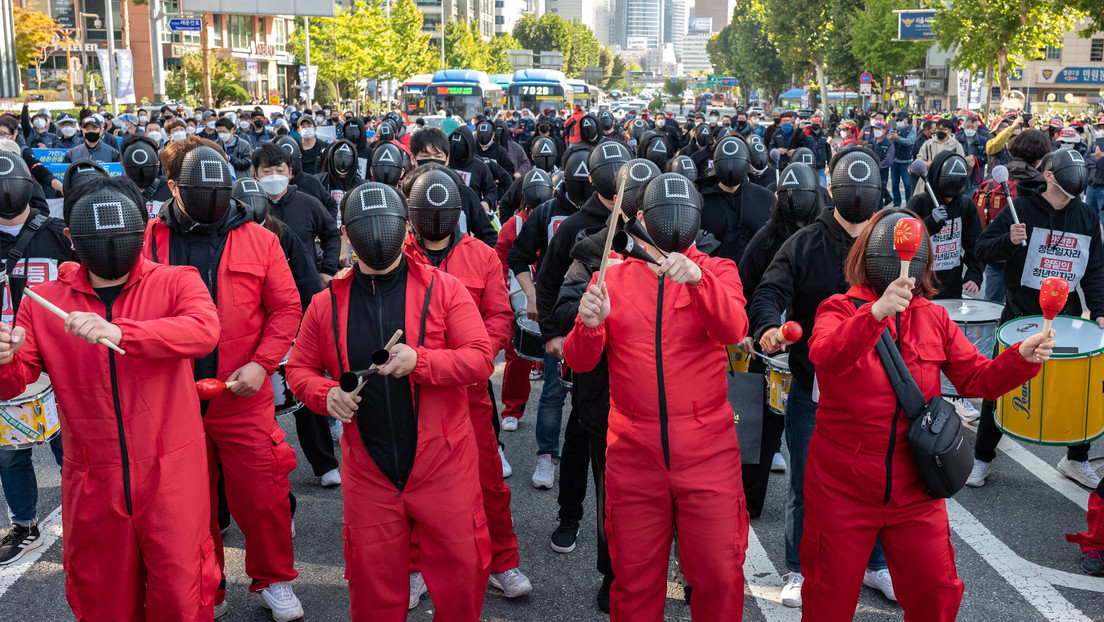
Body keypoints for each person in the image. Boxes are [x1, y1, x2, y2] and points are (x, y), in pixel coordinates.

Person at [803, 208, 1052, 622]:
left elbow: (977, 379)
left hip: (916, 488)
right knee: (827, 599)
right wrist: (875, 314)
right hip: (841, 488)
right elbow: (826, 356)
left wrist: (1019, 359)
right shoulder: (839, 309)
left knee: (936, 595)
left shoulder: (934, 317)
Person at [0, 174, 222, 619]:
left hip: (172, 473)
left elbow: (204, 331)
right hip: (92, 476)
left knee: (180, 592)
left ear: (142, 231)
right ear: (71, 239)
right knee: (102, 597)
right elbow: (16, 380)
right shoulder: (44, 300)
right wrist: (4, 357)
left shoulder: (176, 281)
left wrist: (124, 332)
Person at [285, 182, 494, 621]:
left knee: (461, 580)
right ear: (347, 235)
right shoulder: (325, 305)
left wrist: (422, 361)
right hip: (369, 472)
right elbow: (298, 369)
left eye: (388, 228)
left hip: (443, 464)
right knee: (373, 590)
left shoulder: (446, 288)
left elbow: (478, 359)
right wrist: (328, 396)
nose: (378, 238)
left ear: (405, 231)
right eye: (367, 230)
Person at [565, 172, 750, 621]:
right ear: (640, 218)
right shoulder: (612, 274)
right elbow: (579, 360)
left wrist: (698, 280)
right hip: (632, 449)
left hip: (707, 447)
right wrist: (588, 324)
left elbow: (734, 329)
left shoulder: (718, 269)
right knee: (633, 581)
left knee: (720, 575)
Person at [144, 137, 304, 620]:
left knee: (263, 496)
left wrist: (263, 364)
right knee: (188, 508)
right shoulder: (148, 240)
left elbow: (287, 309)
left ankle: (274, 578)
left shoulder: (260, 238)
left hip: (242, 395)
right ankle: (203, 590)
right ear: (174, 187)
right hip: (171, 399)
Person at [750, 148, 896, 608]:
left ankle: (875, 566)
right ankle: (797, 568)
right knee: (804, 483)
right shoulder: (804, 242)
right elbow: (768, 292)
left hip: (879, 385)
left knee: (876, 479)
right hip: (815, 385)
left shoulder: (892, 240)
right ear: (829, 189)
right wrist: (769, 328)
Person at [401, 166, 532, 604]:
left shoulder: (481, 254)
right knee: (410, 482)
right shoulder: (394, 253)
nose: (435, 221)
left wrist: (479, 355)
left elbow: (499, 316)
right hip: (408, 391)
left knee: (488, 480)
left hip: (467, 391)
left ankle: (502, 560)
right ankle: (416, 565)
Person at [970, 148, 1104, 491]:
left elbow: (1095, 270)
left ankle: (1076, 459)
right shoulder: (1023, 210)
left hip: (1067, 318)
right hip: (1020, 314)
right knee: (999, 388)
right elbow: (982, 249)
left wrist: (1100, 310)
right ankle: (982, 457)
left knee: (1079, 389)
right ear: (1048, 175)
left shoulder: (1087, 216)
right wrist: (1008, 241)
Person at [539, 142, 630, 555]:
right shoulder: (578, 228)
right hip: (589, 361)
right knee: (581, 436)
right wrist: (553, 334)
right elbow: (549, 285)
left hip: (638, 368)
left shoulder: (658, 230)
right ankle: (570, 515)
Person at [0, 153, 76, 566]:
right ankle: (25, 525)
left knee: (74, 450)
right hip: (6, 364)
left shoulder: (57, 234)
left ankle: (93, 518)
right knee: (10, 453)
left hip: (60, 361)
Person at [736, 162, 823, 518]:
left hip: (815, 346)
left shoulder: (827, 233)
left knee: (816, 435)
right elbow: (743, 285)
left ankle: (818, 505)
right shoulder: (767, 236)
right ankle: (747, 502)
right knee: (758, 429)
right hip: (768, 342)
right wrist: (747, 329)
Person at [508, 145, 592, 489]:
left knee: (600, 391)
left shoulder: (614, 212)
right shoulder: (546, 213)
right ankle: (546, 456)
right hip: (556, 312)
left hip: (600, 312)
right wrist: (531, 295)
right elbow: (518, 255)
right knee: (554, 389)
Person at [495, 168, 555, 433]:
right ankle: (512, 408)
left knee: (556, 355)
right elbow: (498, 262)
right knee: (516, 354)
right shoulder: (514, 225)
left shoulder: (559, 220)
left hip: (553, 295)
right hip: (519, 296)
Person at [252, 143, 341, 283]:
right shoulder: (249, 207)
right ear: (256, 174)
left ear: (290, 173)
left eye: (280, 170)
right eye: (267, 172)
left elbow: (332, 235)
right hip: (262, 285)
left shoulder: (309, 203)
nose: (274, 177)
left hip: (305, 285)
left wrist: (328, 269)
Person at [409, 127, 498, 246]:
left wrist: (467, 257)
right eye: (425, 156)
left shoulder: (463, 193)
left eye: (438, 157)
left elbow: (488, 235)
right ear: (413, 159)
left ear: (447, 159)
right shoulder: (404, 195)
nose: (432, 163)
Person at [698, 135, 774, 263]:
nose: (731, 166)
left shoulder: (766, 199)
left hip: (755, 278)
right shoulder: (701, 201)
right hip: (713, 278)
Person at [316, 139, 365, 207]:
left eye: (347, 158)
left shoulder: (362, 186)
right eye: (339, 157)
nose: (343, 162)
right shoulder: (319, 181)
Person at [871, 122, 895, 205]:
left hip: (881, 175)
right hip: (869, 174)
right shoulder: (871, 142)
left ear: (884, 130)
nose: (876, 131)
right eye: (875, 129)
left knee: (879, 199)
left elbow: (888, 160)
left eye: (879, 129)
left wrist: (876, 168)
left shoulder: (889, 144)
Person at [1088, 119, 1104, 219]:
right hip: (1091, 186)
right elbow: (1085, 159)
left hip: (1102, 187)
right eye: (1100, 127)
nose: (1102, 129)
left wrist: (1101, 158)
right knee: (1088, 216)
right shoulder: (1094, 144)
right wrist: (1097, 160)